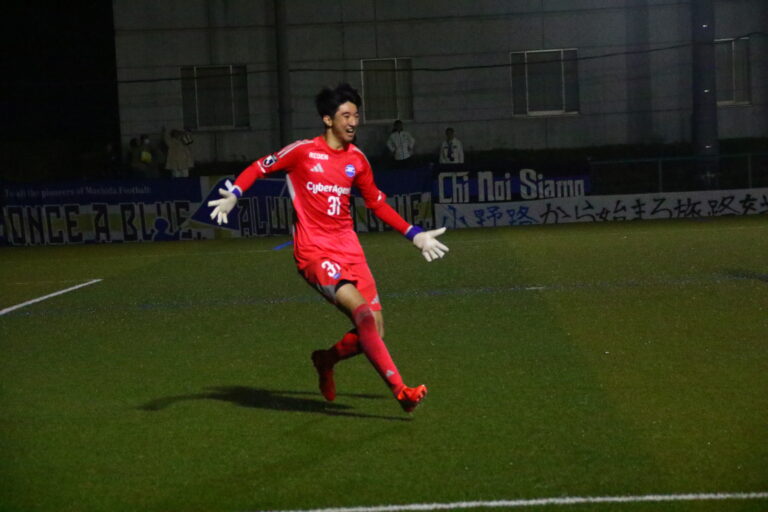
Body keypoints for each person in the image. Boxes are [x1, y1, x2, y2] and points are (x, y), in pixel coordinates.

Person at [208, 83, 449, 413]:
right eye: (345, 116)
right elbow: (259, 167)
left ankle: (326, 360)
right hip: (315, 252)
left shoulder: (357, 160)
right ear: (327, 119)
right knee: (363, 315)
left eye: (356, 116)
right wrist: (236, 192)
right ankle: (401, 392)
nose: (353, 122)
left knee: (376, 330)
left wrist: (415, 235)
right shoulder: (303, 151)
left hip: (350, 250)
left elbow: (376, 203)